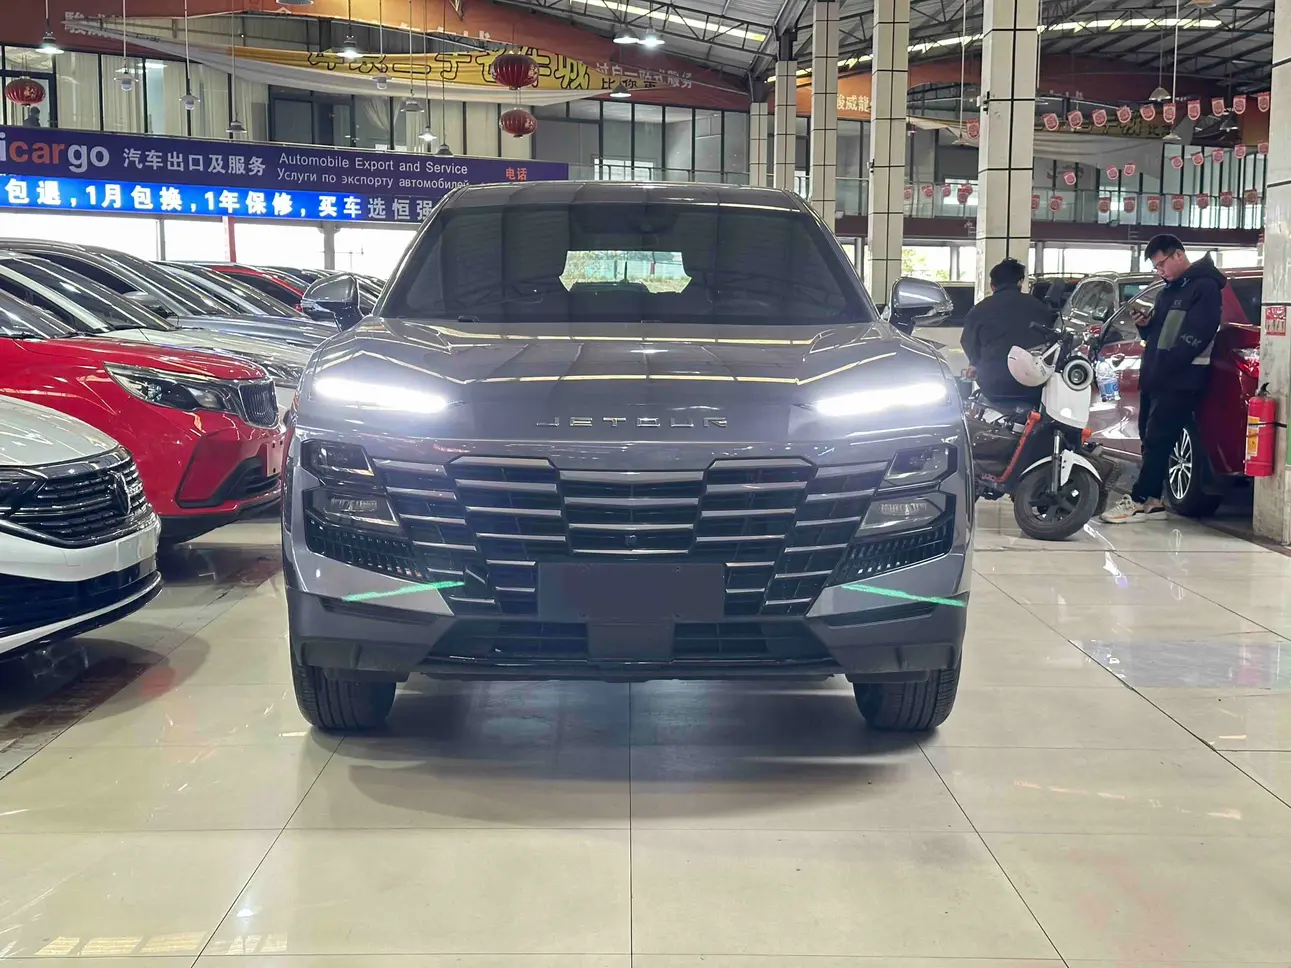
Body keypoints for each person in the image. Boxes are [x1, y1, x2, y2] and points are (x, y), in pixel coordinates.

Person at [1101, 234, 1225, 524]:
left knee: (1159, 438)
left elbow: (1198, 334)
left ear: (1178, 255)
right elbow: (1160, 334)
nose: (1160, 271)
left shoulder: (1205, 288)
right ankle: (1154, 502)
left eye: (1161, 264)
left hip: (1181, 379)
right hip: (1156, 374)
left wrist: (1169, 365)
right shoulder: (1169, 290)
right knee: (1149, 436)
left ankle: (1138, 499)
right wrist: (1145, 327)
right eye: (1156, 267)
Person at [960, 257, 1056, 404]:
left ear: (992, 286)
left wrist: (976, 362)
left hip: (993, 385)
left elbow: (967, 341)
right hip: (1033, 384)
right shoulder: (1038, 307)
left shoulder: (979, 310)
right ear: (1020, 282)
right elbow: (1050, 340)